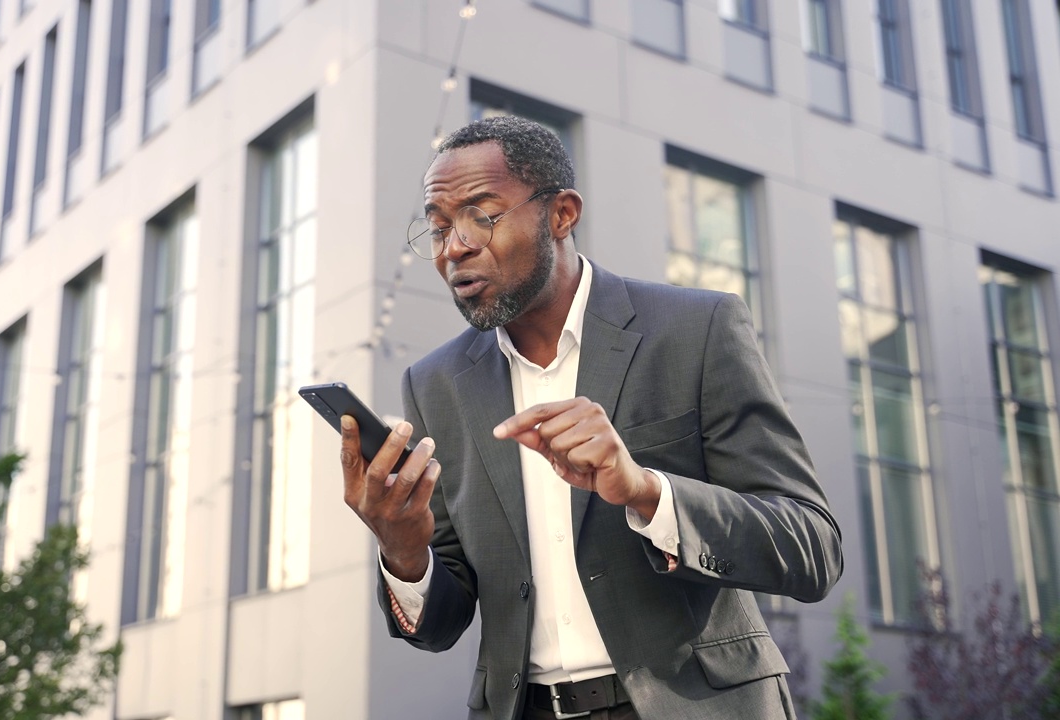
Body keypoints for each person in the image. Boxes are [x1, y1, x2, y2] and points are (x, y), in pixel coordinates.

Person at [339, 116, 842, 720]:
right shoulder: (434, 384)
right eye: (439, 227)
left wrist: (648, 493)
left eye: (483, 215)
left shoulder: (695, 331)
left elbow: (812, 547)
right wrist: (403, 552)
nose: (454, 247)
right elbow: (440, 625)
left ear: (561, 214)